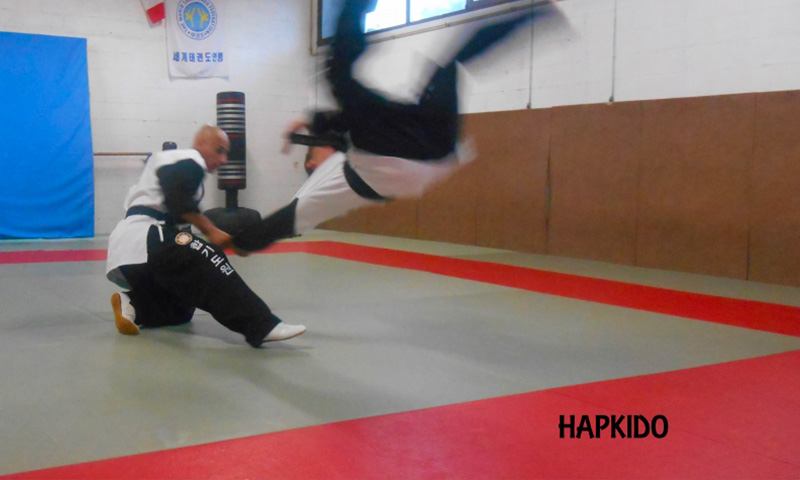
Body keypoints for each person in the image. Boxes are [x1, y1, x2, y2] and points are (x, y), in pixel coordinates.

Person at [230, 0, 561, 253]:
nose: (314, 164)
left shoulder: (354, 141)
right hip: (414, 155)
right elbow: (290, 215)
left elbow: (289, 217)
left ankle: (530, 15)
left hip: (420, 147)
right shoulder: (336, 170)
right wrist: (242, 242)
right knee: (345, 80)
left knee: (438, 72)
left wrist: (244, 244)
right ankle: (530, 16)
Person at [105, 125, 306, 347]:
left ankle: (132, 304)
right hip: (147, 235)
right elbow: (178, 200)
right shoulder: (188, 159)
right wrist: (211, 231)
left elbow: (177, 206)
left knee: (183, 307)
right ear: (201, 143)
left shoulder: (175, 167)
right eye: (219, 150)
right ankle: (262, 326)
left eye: (226, 153)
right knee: (211, 255)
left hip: (127, 254)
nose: (223, 159)